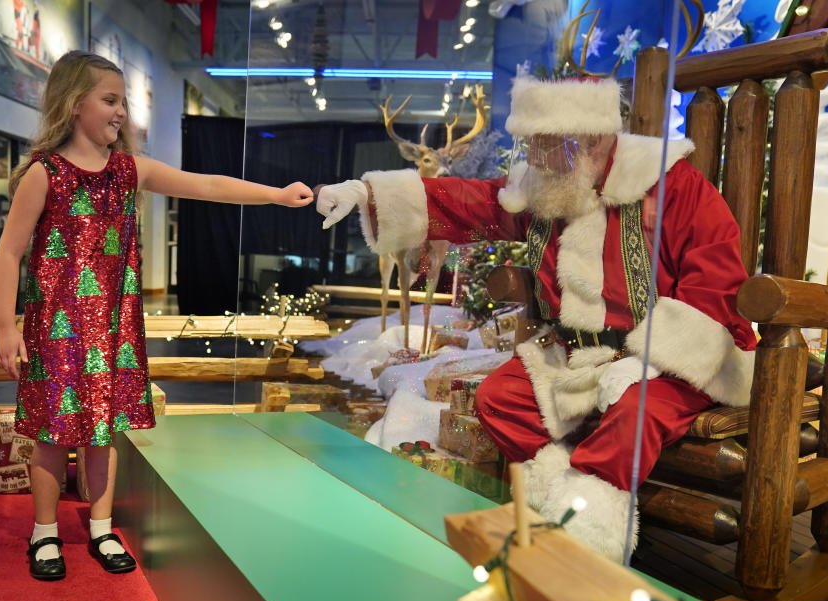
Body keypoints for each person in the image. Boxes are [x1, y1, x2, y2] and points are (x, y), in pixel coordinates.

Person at [317, 76, 755, 562]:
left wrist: (646, 362)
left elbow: (717, 281)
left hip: (672, 358)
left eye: (547, 145)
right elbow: (471, 202)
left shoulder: (672, 187)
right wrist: (368, 193)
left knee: (634, 412)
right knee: (501, 397)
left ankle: (588, 541)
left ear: (590, 140)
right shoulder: (548, 188)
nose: (535, 157)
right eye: (531, 143)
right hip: (576, 353)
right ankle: (558, 495)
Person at [0, 50, 313, 581]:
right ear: (75, 105)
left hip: (114, 332)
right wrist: (6, 328)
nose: (121, 113)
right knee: (51, 435)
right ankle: (44, 533)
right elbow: (9, 253)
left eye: (123, 102)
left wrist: (276, 196)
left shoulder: (129, 171)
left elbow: (205, 185)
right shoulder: (43, 174)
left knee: (104, 434)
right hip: (55, 331)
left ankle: (101, 526)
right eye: (110, 100)